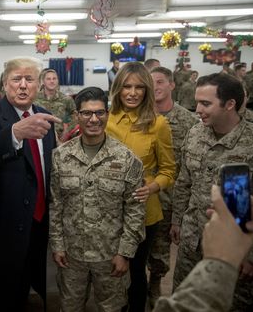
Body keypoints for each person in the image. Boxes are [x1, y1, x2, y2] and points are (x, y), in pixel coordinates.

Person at [0, 57, 60, 311]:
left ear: (38, 85)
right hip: (1, 227)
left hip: (38, 222)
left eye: (29, 79)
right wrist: (16, 132)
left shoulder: (45, 116)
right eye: (17, 79)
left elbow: (46, 165)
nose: (23, 85)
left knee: (29, 288)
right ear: (5, 83)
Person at [50, 87, 145, 312]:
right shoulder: (61, 156)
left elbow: (135, 209)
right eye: (86, 113)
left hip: (111, 255)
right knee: (70, 307)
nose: (94, 119)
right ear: (76, 116)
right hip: (72, 256)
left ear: (107, 114)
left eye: (100, 113)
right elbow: (56, 204)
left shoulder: (127, 158)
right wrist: (57, 245)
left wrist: (125, 253)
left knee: (111, 308)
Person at [170, 72, 253, 310]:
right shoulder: (195, 134)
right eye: (197, 101)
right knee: (185, 300)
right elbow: (184, 181)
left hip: (236, 250)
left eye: (205, 103)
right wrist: (177, 220)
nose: (197, 109)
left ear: (230, 104)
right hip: (192, 240)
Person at [106, 61, 176, 311]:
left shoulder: (158, 124)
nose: (132, 92)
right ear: (117, 88)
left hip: (144, 212)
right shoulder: (106, 120)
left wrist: (154, 187)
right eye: (126, 86)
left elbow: (169, 170)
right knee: (111, 270)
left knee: (135, 272)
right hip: (108, 210)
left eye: (138, 87)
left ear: (146, 90)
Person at [154, 186, 253, 311]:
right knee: (182, 291)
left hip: (238, 252)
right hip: (191, 241)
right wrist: (177, 221)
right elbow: (183, 186)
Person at [147, 67, 198, 305]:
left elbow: (191, 166)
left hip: (170, 197)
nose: (155, 86)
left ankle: (155, 282)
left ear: (172, 85)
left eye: (160, 81)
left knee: (160, 248)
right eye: (151, 82)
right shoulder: (138, 117)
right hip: (140, 194)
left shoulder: (189, 121)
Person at [34, 68, 75, 141]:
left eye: (54, 78)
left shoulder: (66, 99)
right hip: (39, 137)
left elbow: (75, 115)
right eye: (48, 79)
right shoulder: (34, 98)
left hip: (59, 138)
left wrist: (67, 131)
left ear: (58, 81)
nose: (52, 81)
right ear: (43, 82)